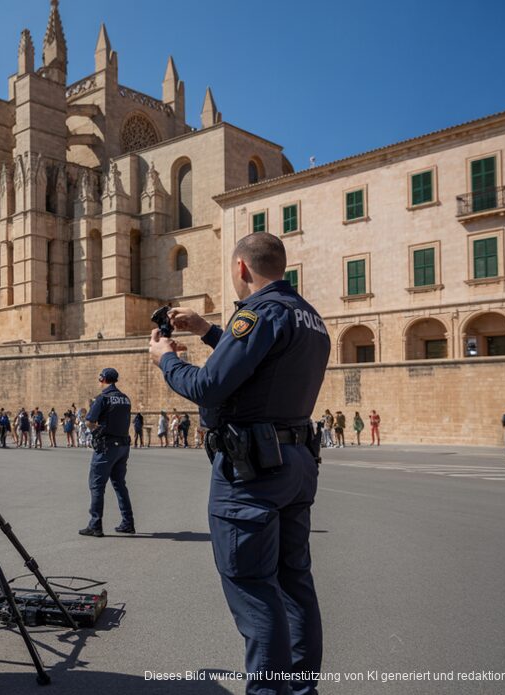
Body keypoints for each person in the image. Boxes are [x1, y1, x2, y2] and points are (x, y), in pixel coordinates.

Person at [150, 232, 330, 695]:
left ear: (242, 269)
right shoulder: (308, 316)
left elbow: (210, 386)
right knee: (294, 582)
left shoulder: (258, 313)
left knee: (252, 584)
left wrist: (166, 360)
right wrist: (209, 330)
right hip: (295, 460)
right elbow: (262, 365)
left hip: (252, 470)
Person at [79, 368, 134, 537]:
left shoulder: (103, 398)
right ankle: (128, 523)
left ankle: (95, 524)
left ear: (102, 379)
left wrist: (96, 431)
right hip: (123, 446)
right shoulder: (125, 398)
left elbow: (89, 421)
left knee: (97, 485)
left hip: (107, 446)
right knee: (119, 485)